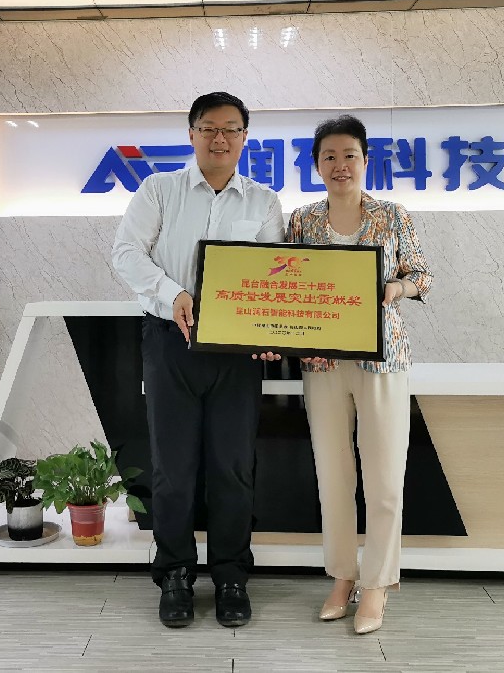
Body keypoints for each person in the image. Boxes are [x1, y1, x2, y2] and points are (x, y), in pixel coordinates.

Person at [111, 92, 285, 628]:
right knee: (173, 469)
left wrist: (269, 329)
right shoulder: (158, 189)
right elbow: (126, 253)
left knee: (233, 467)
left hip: (236, 352)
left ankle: (231, 575)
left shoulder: (263, 201)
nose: (220, 138)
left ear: (245, 138)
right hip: (170, 341)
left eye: (231, 129)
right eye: (209, 128)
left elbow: (274, 274)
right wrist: (174, 295)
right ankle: (176, 574)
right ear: (191, 134)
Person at [286, 114, 433, 634]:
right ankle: (342, 577)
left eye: (349, 155)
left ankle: (377, 584)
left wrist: (398, 289)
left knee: (385, 476)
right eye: (329, 156)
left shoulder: (391, 215)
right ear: (316, 166)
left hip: (382, 357)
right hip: (322, 360)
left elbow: (422, 275)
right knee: (333, 475)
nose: (340, 165)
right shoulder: (302, 220)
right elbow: (285, 283)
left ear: (365, 160)